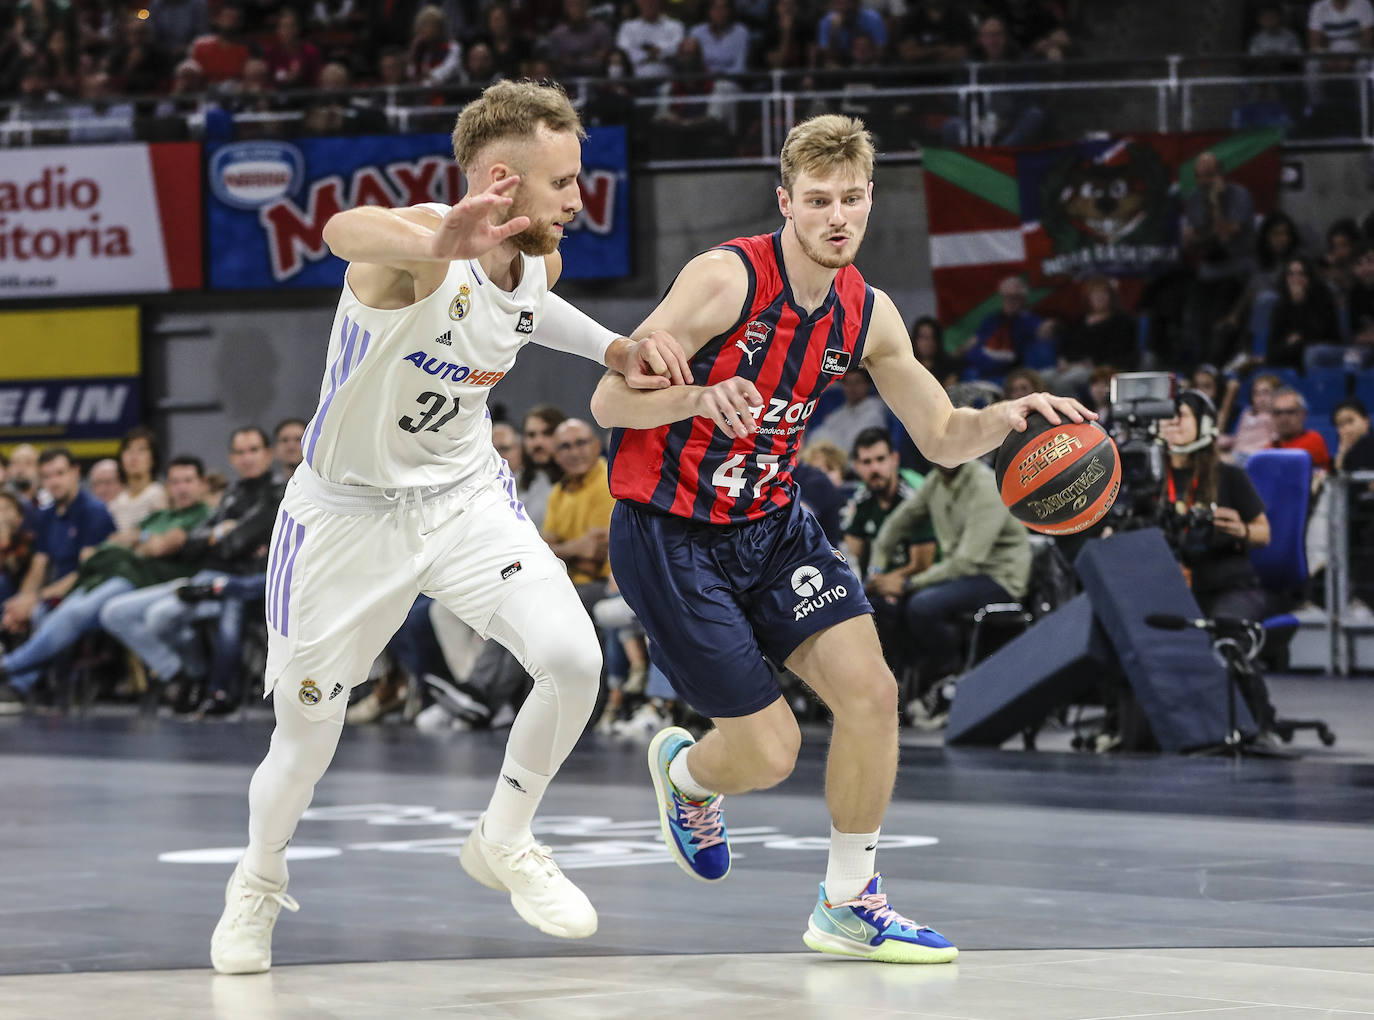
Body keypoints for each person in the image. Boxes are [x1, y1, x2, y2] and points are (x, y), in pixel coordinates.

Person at [590, 114, 1090, 964]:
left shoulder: (869, 315)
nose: (836, 218)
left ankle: (849, 901)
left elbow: (939, 434)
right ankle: (684, 776)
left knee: (872, 694)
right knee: (769, 754)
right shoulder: (722, 281)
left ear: (869, 200)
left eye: (851, 200)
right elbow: (608, 402)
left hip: (774, 526)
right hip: (672, 532)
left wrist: (1003, 422)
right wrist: (693, 399)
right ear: (784, 202)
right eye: (817, 201)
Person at [208, 81, 681, 976]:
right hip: (346, 519)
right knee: (306, 739)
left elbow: (536, 311)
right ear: (502, 181)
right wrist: (439, 238)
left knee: (575, 659)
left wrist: (614, 348)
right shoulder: (423, 252)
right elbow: (340, 233)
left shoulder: (537, 258)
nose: (581, 199)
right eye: (566, 182)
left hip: (463, 500)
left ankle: (504, 836)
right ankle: (257, 881)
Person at [0, 457, 209, 713]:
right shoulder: (160, 517)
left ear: (202, 484)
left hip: (144, 581)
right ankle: (17, 685)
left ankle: (7, 669)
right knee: (55, 611)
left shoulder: (203, 515)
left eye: (188, 481)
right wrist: (141, 541)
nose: (181, 488)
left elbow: (161, 545)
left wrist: (140, 540)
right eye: (175, 482)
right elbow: (116, 542)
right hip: (110, 576)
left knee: (73, 613)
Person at [2, 449, 116, 644]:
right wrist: (22, 601)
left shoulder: (93, 511)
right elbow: (39, 566)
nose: (53, 482)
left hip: (86, 591)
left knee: (41, 614)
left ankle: (12, 668)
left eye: (60, 473)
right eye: (46, 476)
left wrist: (36, 598)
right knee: (13, 608)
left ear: (76, 472)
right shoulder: (46, 515)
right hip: (53, 591)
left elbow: (84, 574)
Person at [108, 427, 168, 533]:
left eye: (141, 450)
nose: (133, 456)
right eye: (128, 450)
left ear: (153, 459)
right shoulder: (114, 505)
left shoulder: (161, 496)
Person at [1270, 386, 1332, 471]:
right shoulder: (1268, 449)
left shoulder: (1314, 440)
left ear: (1303, 415)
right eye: (1278, 413)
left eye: (1290, 412)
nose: (1283, 418)